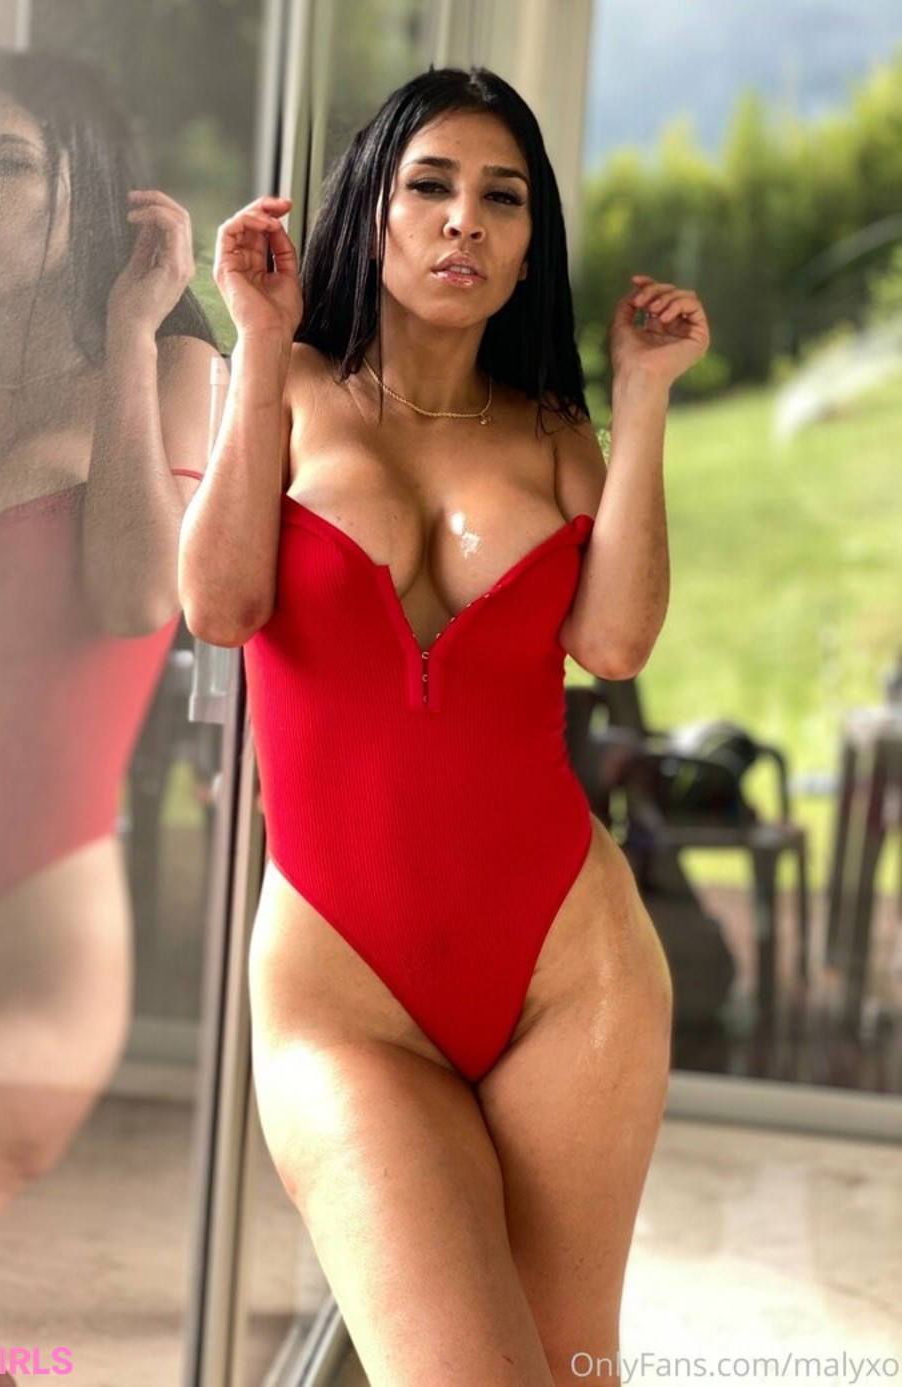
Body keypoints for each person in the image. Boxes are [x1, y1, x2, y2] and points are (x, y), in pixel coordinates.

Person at [181, 65, 710, 1387]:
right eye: (431, 185)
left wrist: (643, 396)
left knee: (572, 1369)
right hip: (341, 989)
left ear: (530, 248)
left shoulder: (554, 435)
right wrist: (258, 339)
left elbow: (616, 644)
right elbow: (221, 604)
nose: (465, 219)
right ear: (374, 211)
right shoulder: (286, 388)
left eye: (502, 197)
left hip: (570, 971)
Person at [0, 50, 222, 1387]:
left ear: (86, 188)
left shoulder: (173, 363)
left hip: (24, 951)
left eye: (9, 163)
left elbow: (139, 595)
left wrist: (137, 334)